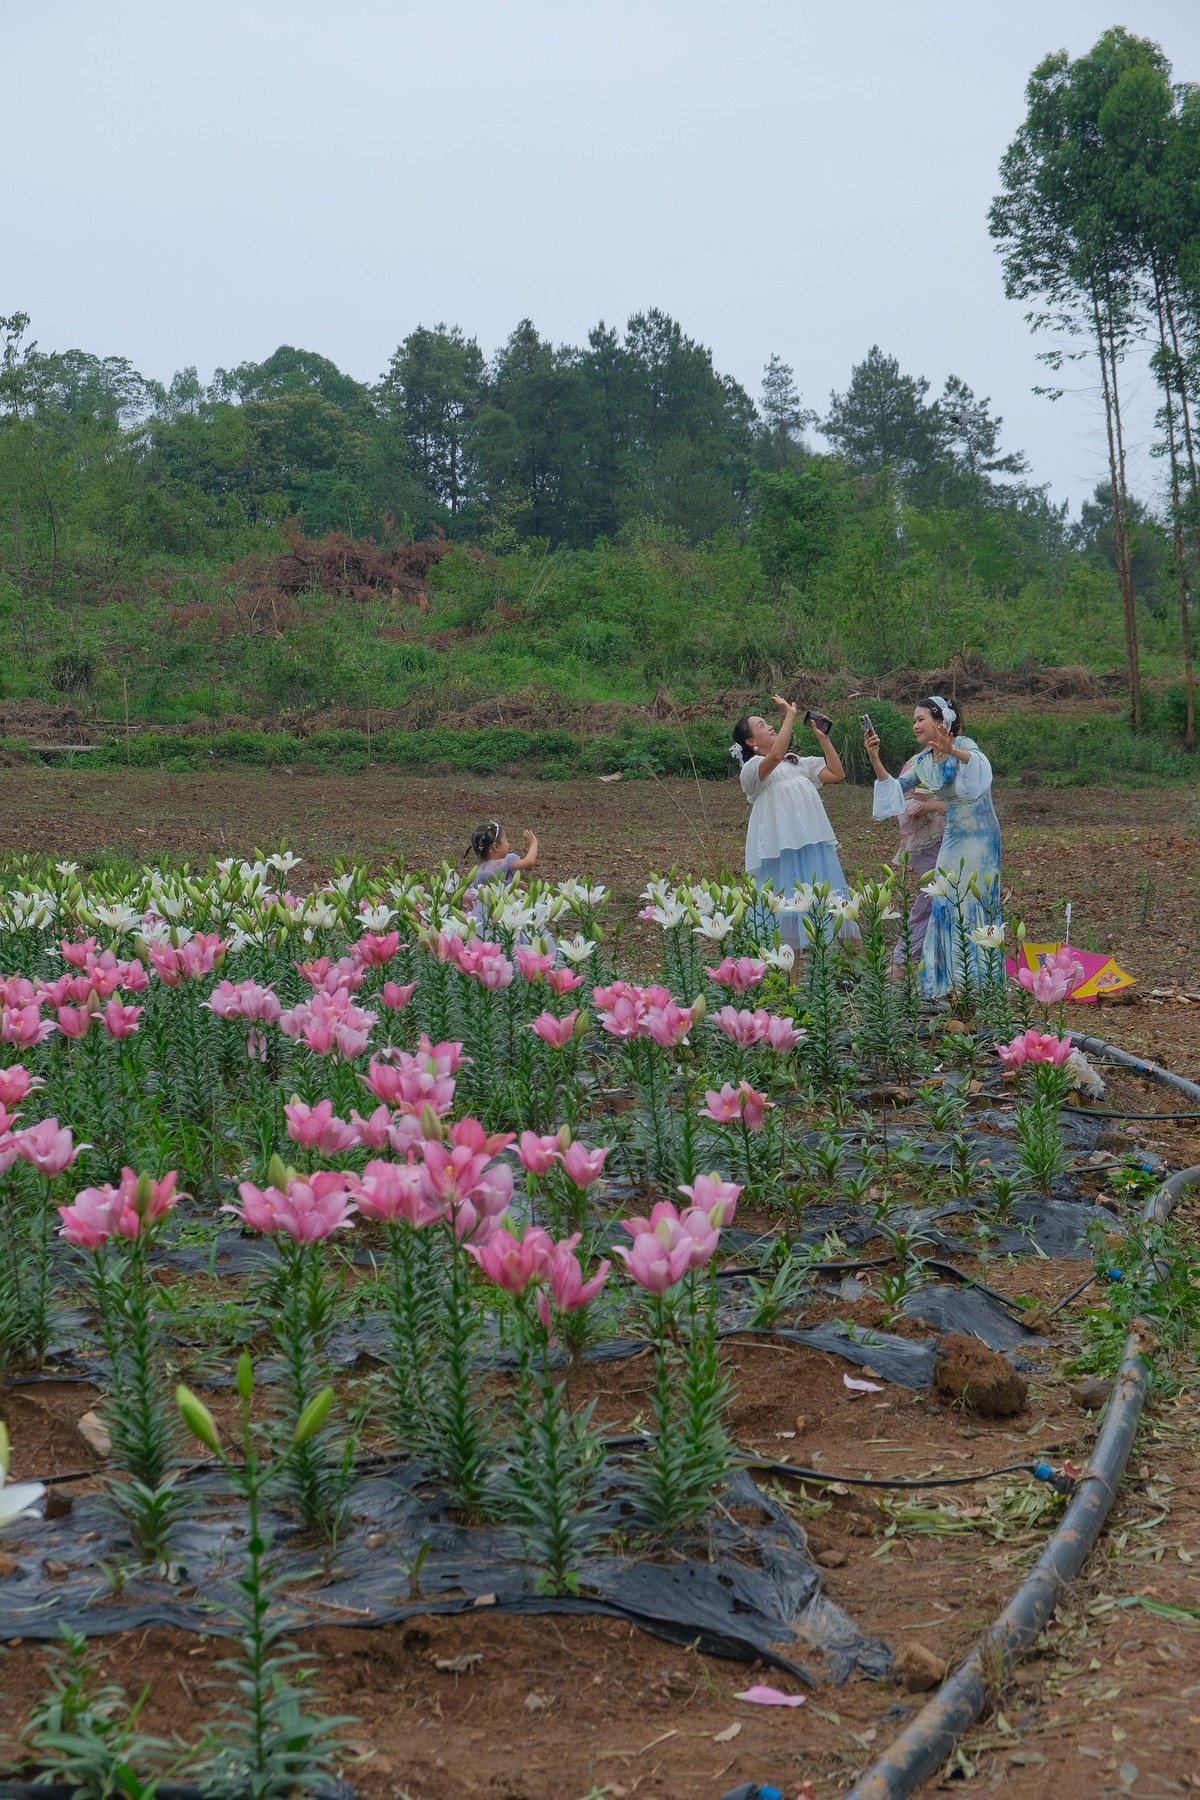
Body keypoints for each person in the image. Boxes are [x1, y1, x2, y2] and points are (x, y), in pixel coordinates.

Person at [865, 696, 1000, 997]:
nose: (915, 725)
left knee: (972, 899)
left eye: (920, 719)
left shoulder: (964, 744)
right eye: (913, 720)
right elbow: (894, 790)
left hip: (979, 834)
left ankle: (978, 981)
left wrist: (953, 750)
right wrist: (875, 757)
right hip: (953, 835)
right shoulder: (923, 761)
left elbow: (981, 771)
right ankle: (946, 980)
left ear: (940, 721)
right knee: (945, 897)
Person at [730, 697, 856, 948]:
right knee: (786, 907)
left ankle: (861, 976)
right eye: (762, 725)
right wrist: (790, 715)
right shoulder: (752, 770)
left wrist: (824, 738)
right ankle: (792, 982)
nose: (769, 726)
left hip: (813, 843)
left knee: (832, 901)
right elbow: (774, 755)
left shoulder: (795, 762)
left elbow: (836, 773)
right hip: (781, 849)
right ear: (751, 741)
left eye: (768, 722)